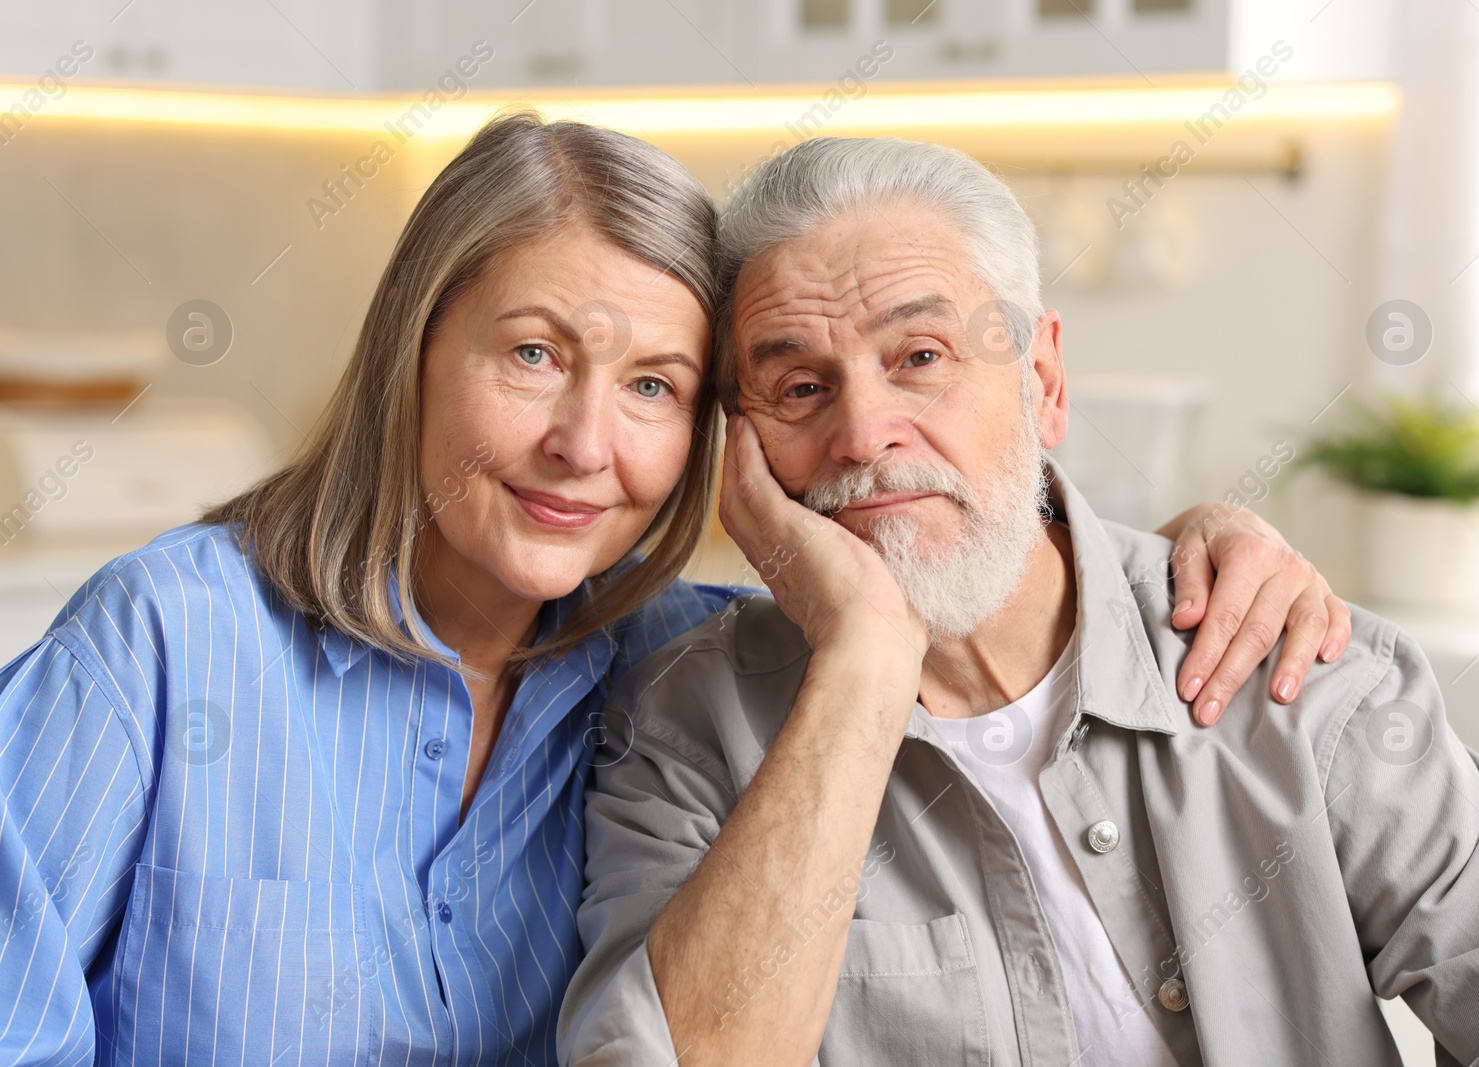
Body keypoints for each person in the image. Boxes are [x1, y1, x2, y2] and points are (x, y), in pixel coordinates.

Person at [0, 114, 1343, 1065]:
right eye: (533, 353)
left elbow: (987, 613)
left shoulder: (684, 681)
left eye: (653, 386)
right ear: (413, 350)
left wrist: (1190, 548)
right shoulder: (162, 642)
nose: (588, 445)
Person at [558, 135, 1479, 1067]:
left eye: (919, 357)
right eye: (798, 388)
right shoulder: (682, 735)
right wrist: (867, 655)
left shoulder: (1286, 662)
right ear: (738, 449)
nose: (864, 433)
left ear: (1043, 379)